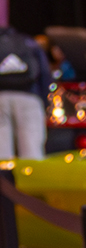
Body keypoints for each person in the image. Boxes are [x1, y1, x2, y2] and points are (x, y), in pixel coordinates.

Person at [0, 19, 46, 162]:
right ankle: (33, 182)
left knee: (2, 153)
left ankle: (3, 183)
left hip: (1, 97)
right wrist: (44, 101)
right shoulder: (27, 42)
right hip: (28, 97)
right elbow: (44, 73)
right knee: (31, 151)